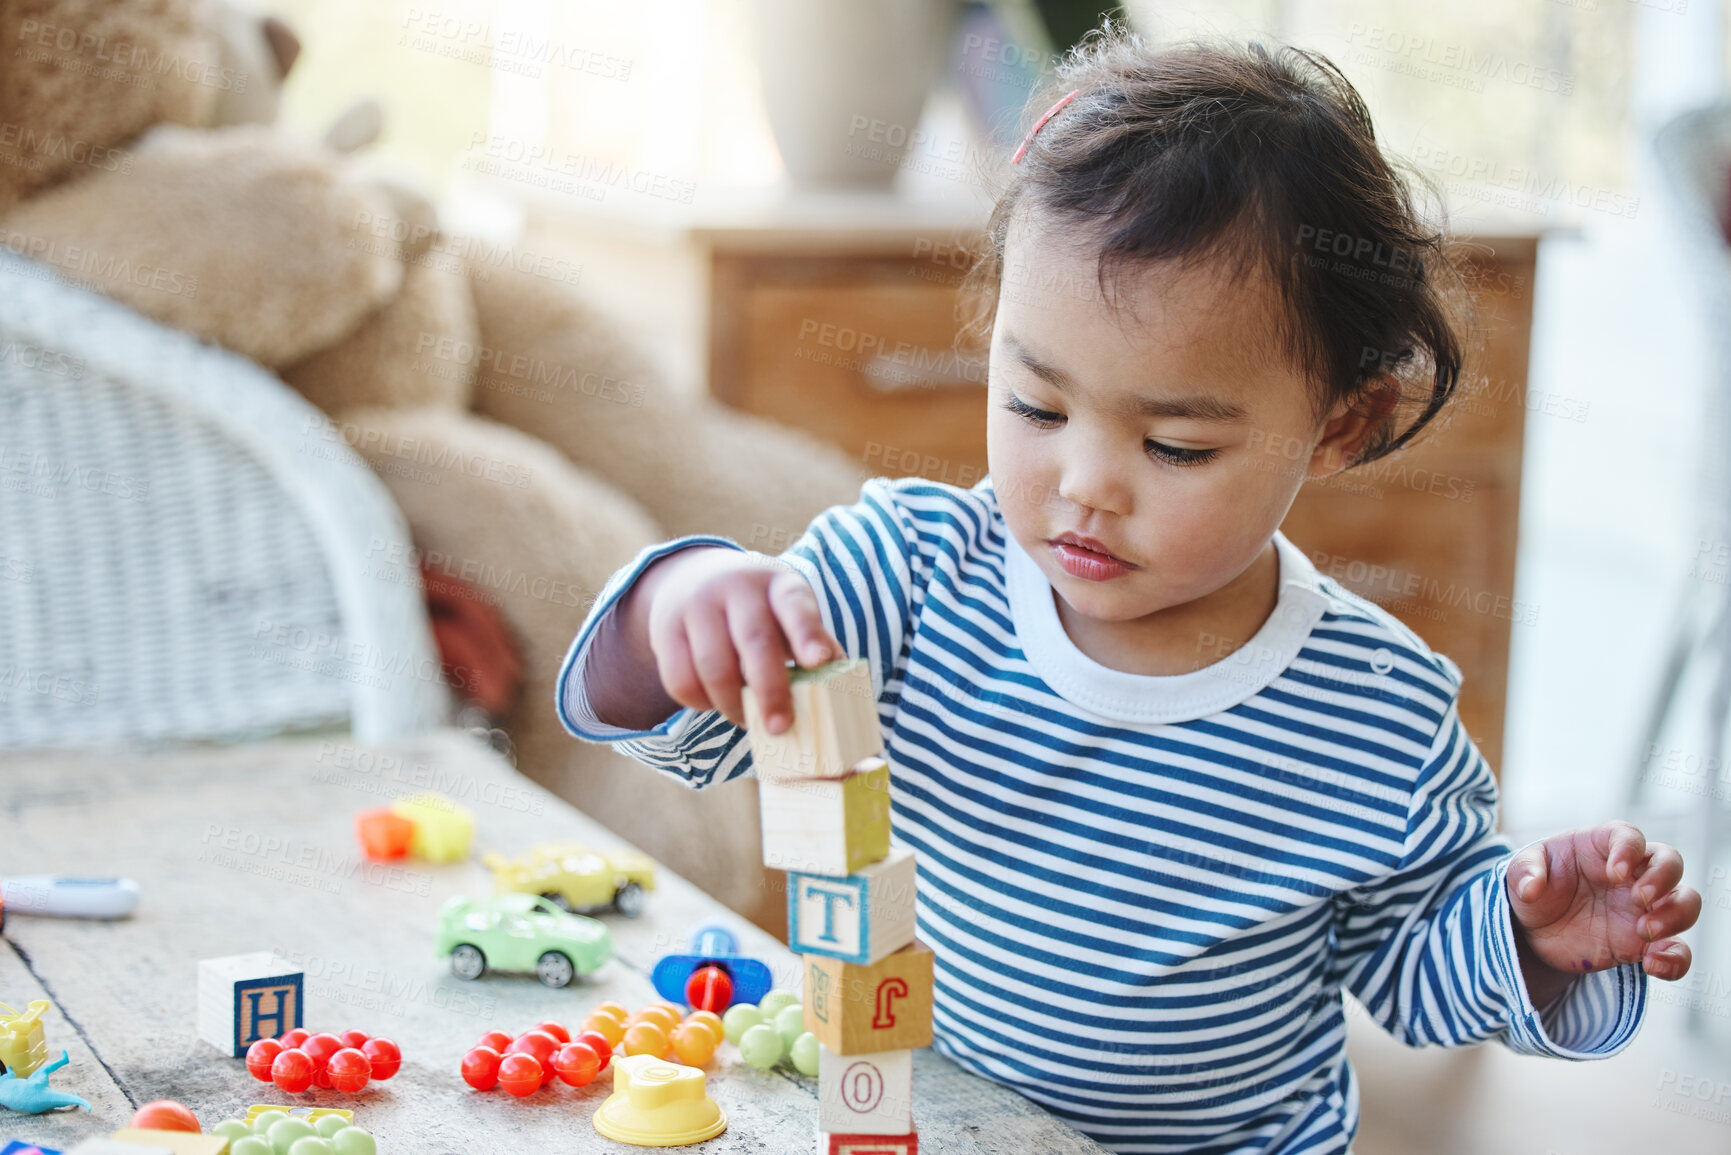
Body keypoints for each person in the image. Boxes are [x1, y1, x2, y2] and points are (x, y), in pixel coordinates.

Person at [556, 26, 1700, 1155]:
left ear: (1341, 426)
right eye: (1039, 409)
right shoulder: (908, 574)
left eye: (1178, 446)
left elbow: (1421, 976)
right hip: (922, 1126)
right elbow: (688, 726)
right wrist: (681, 607)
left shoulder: (1380, 714)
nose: (1085, 487)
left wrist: (1534, 941)